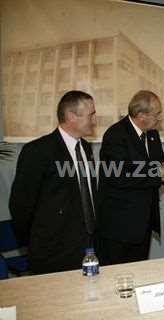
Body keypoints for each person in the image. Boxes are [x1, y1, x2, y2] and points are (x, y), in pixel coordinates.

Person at [9, 90, 97, 274]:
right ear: (71, 116)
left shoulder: (86, 148)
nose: (95, 121)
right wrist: (34, 243)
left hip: (86, 246)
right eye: (91, 115)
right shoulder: (38, 151)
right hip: (52, 252)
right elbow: (20, 205)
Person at [97, 90, 164, 265]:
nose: (160, 118)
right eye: (157, 114)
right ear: (141, 115)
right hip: (119, 224)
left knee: (140, 271)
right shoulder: (115, 135)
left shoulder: (152, 134)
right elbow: (120, 176)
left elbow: (159, 165)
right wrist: (158, 176)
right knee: (116, 274)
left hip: (143, 221)